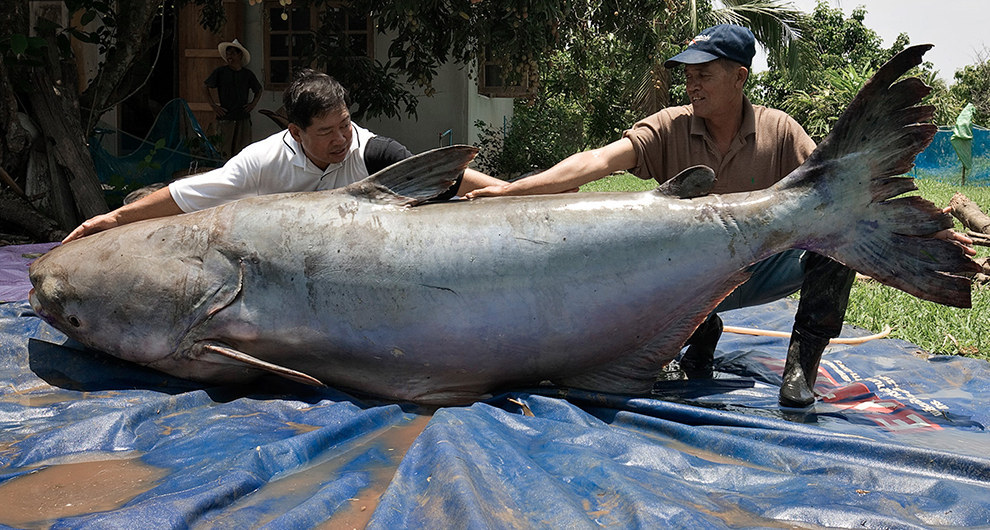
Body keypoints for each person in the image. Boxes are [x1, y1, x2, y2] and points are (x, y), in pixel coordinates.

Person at [466, 24, 973, 407]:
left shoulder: (781, 131)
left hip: (761, 267)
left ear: (739, 77)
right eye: (688, 75)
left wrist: (915, 237)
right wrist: (513, 189)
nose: (692, 84)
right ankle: (696, 333)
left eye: (703, 74)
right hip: (683, 278)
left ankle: (802, 366)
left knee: (832, 235)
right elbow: (596, 162)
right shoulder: (669, 127)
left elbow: (839, 199)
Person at [64, 70, 506, 243]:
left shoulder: (372, 151)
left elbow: (445, 177)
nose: (341, 138)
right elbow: (186, 196)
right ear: (294, 131)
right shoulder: (260, 163)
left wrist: (513, 192)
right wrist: (116, 220)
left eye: (345, 124)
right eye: (326, 131)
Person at [204, 39, 263, 159]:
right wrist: (214, 106)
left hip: (242, 116)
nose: (229, 56)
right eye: (228, 53)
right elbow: (205, 86)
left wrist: (253, 104)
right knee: (224, 150)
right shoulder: (220, 72)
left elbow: (258, 90)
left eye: (232, 53)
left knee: (243, 151)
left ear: (239, 55)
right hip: (226, 117)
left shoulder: (247, 74)